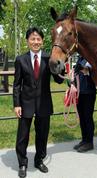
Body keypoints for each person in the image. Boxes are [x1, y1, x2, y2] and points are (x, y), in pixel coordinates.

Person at [13, 27, 63, 178]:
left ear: (42, 41)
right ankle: (22, 163)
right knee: (23, 136)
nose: (36, 42)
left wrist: (63, 69)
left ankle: (39, 160)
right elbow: (16, 85)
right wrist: (16, 104)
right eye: (32, 39)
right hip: (25, 103)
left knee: (42, 134)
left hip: (44, 104)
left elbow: (59, 80)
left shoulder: (49, 59)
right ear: (28, 41)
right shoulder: (20, 60)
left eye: (38, 39)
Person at [73, 55, 96, 152]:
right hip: (79, 93)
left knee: (87, 117)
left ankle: (89, 142)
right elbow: (75, 74)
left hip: (89, 92)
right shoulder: (80, 58)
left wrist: (85, 69)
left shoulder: (91, 58)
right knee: (81, 117)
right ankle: (84, 139)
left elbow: (95, 73)